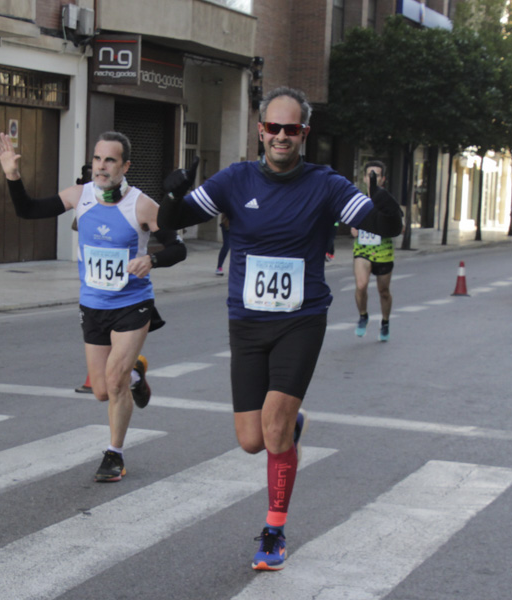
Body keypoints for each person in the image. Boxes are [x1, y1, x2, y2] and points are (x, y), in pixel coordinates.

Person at [157, 87, 403, 571]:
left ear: (305, 134)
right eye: (275, 128)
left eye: (292, 129)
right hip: (246, 323)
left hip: (300, 320)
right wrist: (172, 191)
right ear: (261, 130)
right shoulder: (235, 179)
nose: (282, 136)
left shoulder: (326, 184)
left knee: (273, 431)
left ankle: (274, 531)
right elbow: (174, 220)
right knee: (252, 439)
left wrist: (385, 204)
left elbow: (380, 223)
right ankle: (291, 424)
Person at [0, 130, 187, 483]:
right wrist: (12, 174)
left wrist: (152, 262)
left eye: (110, 160)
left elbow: (178, 248)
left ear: (125, 166)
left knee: (113, 384)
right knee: (101, 390)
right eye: (97, 159)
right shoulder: (81, 195)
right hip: (93, 305)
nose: (101, 166)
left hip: (133, 303)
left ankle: (115, 453)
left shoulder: (141, 205)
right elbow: (28, 210)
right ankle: (135, 374)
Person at [350, 160, 400, 341]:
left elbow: (399, 227)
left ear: (383, 179)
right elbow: (351, 222)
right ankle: (363, 316)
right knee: (361, 285)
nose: (372, 178)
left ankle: (385, 322)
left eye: (376, 175)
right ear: (364, 177)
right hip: (362, 250)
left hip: (383, 251)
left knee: (383, 291)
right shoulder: (358, 199)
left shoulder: (388, 201)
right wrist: (353, 229)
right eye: (369, 174)